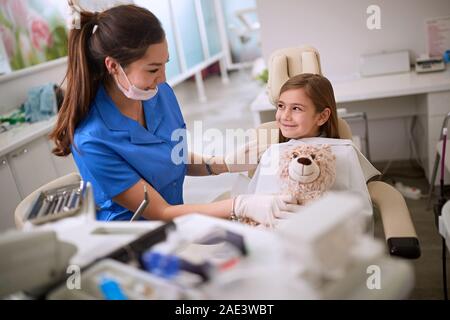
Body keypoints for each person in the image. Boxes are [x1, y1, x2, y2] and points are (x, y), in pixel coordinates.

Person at [49, 3, 298, 225]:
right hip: (135, 240)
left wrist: (221, 163)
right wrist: (239, 206)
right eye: (153, 69)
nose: (163, 78)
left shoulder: (157, 93)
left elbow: (169, 155)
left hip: (176, 221)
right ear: (113, 66)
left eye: (165, 63)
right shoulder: (93, 140)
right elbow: (161, 211)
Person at [247, 73, 380, 219]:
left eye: (296, 108)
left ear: (322, 116)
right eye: (281, 106)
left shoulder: (345, 152)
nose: (284, 116)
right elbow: (256, 208)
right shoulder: (272, 153)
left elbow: (360, 213)